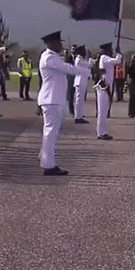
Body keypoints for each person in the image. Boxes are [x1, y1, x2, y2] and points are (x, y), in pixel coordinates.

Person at [38, 31, 90, 175]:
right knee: (50, 133)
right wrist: (87, 71)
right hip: (51, 100)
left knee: (52, 132)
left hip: (55, 99)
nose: (60, 45)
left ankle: (45, 158)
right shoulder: (49, 57)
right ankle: (48, 166)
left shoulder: (53, 57)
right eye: (58, 43)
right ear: (51, 44)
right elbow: (68, 69)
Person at [96, 42, 122, 140]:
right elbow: (118, 61)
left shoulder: (105, 58)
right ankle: (101, 133)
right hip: (104, 87)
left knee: (104, 110)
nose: (111, 51)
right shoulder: (105, 58)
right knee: (102, 111)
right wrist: (118, 53)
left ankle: (102, 132)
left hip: (107, 86)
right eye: (110, 50)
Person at [72, 45, 94, 123]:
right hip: (80, 81)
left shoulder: (81, 59)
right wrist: (91, 59)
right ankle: (78, 117)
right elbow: (89, 65)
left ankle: (79, 115)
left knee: (81, 100)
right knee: (79, 100)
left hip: (82, 81)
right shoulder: (79, 60)